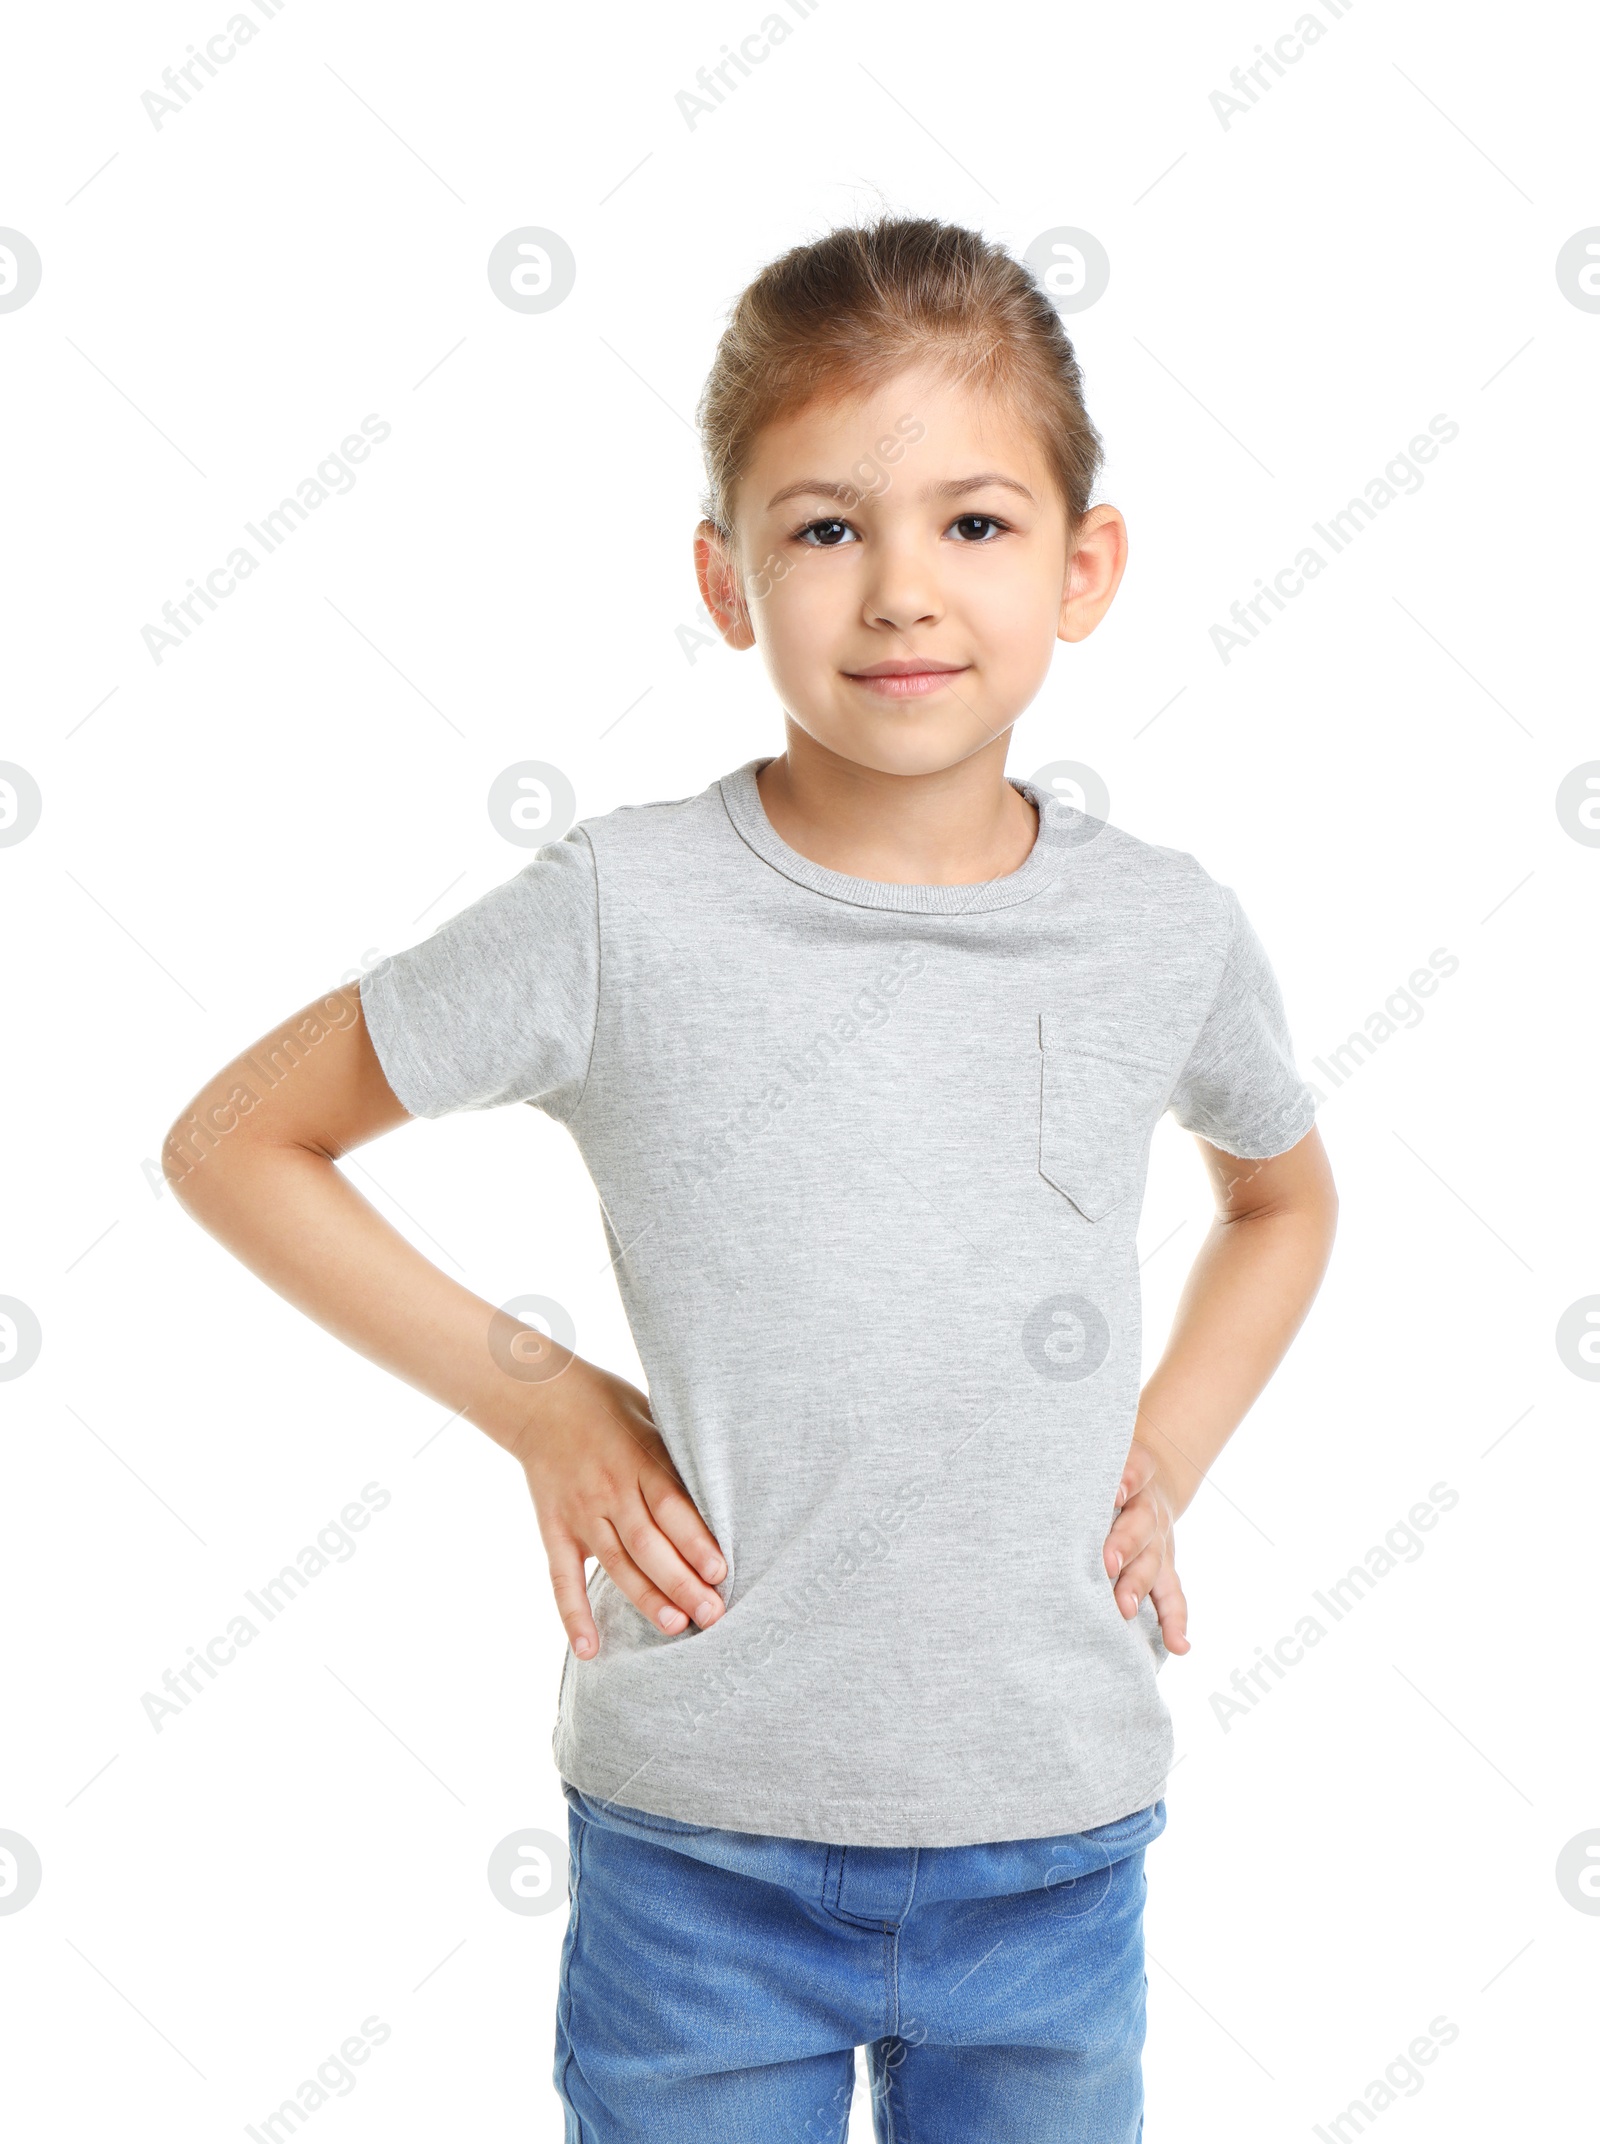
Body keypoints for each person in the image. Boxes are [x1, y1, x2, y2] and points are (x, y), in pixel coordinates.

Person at [165, 216, 1339, 2142]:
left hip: (1052, 1845)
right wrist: (540, 1406)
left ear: (1085, 565)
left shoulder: (1163, 932)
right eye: (822, 529)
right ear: (725, 581)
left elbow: (1283, 1200)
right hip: (698, 1858)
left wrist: (1172, 1451)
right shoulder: (624, 913)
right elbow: (236, 1142)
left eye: (973, 525)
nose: (900, 594)